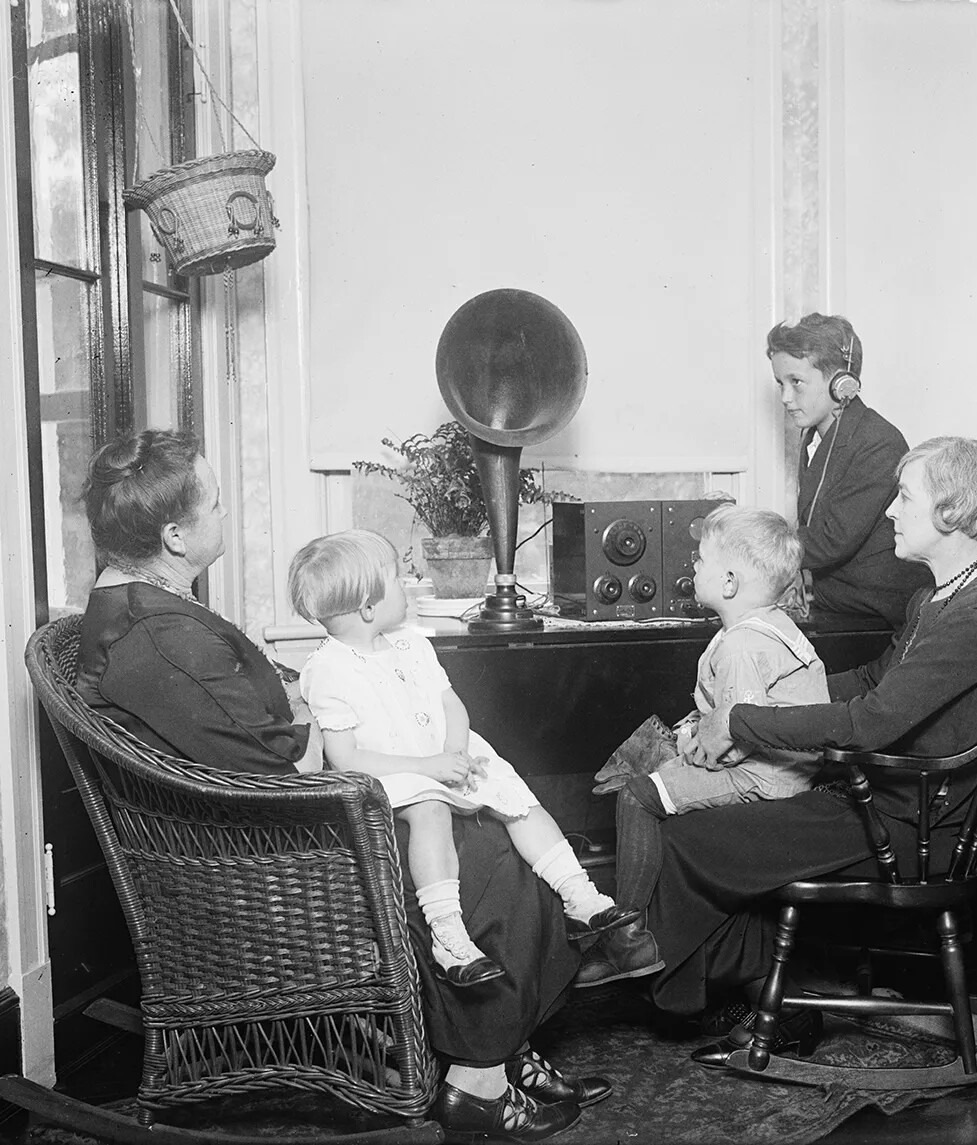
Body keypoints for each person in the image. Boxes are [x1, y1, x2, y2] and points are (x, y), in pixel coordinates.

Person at [74, 429, 599, 1142]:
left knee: (483, 802)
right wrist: (321, 717)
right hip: (278, 851)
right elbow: (278, 769)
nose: (226, 516)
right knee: (482, 840)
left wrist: (309, 708)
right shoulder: (163, 636)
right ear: (173, 535)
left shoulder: (141, 608)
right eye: (217, 505)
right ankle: (480, 1078)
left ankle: (502, 1048)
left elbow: (243, 724)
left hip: (272, 817)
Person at [589, 438, 977, 1066]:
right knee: (701, 824)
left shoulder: (976, 615)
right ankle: (760, 996)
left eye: (905, 497)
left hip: (912, 824)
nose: (890, 513)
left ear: (952, 512)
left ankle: (749, 997)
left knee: (691, 838)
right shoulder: (937, 598)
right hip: (886, 803)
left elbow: (872, 721)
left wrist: (745, 722)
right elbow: (872, 683)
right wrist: (777, 698)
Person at [289, 529, 638, 988]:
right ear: (369, 607)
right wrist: (428, 767)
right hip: (394, 772)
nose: (407, 588)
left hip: (446, 753)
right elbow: (346, 755)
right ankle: (448, 935)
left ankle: (580, 896)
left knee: (516, 798)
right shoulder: (328, 669)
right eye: (397, 580)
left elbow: (450, 702)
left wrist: (455, 750)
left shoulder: (413, 644)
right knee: (429, 810)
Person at [576, 506, 829, 987]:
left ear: (729, 582)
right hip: (778, 769)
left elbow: (738, 737)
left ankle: (628, 937)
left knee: (637, 796)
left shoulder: (742, 646)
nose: (692, 568)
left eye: (700, 561)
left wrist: (689, 745)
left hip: (766, 778)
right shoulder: (767, 627)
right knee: (650, 775)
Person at [769, 313, 932, 629]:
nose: (786, 398)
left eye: (796, 382)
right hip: (835, 600)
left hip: (875, 616)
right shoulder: (814, 436)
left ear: (841, 385)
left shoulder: (878, 442)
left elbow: (831, 541)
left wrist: (755, 548)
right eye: (780, 384)